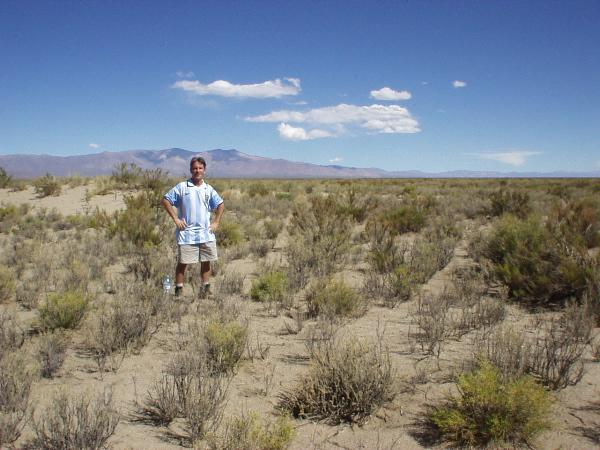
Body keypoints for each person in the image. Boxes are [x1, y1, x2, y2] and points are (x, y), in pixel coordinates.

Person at [161, 156, 224, 298]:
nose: (197, 171)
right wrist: (176, 219)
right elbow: (166, 200)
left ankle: (206, 289)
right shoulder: (182, 187)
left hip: (206, 233)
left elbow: (220, 204)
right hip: (187, 233)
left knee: (206, 261)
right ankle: (178, 291)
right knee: (183, 262)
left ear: (204, 170)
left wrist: (216, 222)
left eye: (200, 168)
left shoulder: (208, 189)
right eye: (195, 168)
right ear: (190, 170)